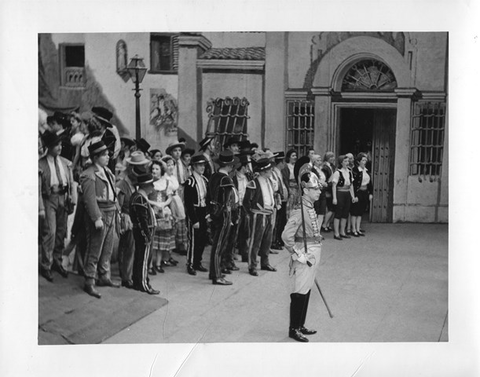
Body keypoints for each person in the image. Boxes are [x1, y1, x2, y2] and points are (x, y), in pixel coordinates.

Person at [282, 169, 323, 343]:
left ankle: (301, 324)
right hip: (305, 254)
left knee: (306, 289)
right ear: (306, 190)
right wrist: (297, 254)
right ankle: (294, 329)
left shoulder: (310, 208)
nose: (319, 191)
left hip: (313, 251)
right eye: (315, 189)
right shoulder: (300, 211)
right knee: (300, 290)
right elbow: (286, 236)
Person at [80, 140, 119, 298]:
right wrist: (96, 218)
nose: (108, 156)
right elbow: (89, 200)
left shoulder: (107, 171)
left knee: (107, 247)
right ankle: (89, 280)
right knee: (94, 248)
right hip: (100, 213)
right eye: (104, 155)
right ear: (96, 157)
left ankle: (104, 276)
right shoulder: (89, 175)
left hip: (111, 210)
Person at [38, 130, 76, 282]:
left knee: (61, 232)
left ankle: (57, 261)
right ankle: (46, 264)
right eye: (56, 145)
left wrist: (72, 199)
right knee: (50, 232)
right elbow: (38, 187)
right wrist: (40, 207)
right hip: (49, 198)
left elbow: (71, 183)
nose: (59, 147)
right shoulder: (40, 164)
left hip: (63, 198)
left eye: (60, 144)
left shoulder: (66, 163)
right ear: (48, 146)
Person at [116, 151, 151, 288]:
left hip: (135, 217)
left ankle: (132, 274)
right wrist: (122, 219)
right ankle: (126, 276)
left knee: (134, 247)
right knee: (128, 248)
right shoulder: (122, 184)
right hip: (127, 218)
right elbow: (118, 203)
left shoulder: (136, 182)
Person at [208, 150, 240, 285]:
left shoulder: (214, 176)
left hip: (214, 215)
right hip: (223, 216)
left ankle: (213, 272)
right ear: (229, 166)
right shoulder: (226, 179)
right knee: (219, 245)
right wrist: (229, 217)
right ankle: (217, 275)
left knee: (216, 244)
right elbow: (226, 202)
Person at [243, 158, 277, 276]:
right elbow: (246, 201)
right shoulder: (253, 183)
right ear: (263, 171)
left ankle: (265, 262)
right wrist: (251, 213)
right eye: (269, 169)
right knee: (255, 240)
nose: (271, 171)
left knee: (267, 240)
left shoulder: (269, 182)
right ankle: (252, 265)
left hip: (269, 214)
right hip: (258, 214)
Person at [129, 172, 160, 295]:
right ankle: (144, 284)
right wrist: (147, 235)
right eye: (151, 185)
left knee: (140, 257)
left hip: (141, 232)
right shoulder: (140, 199)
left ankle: (137, 281)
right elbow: (142, 220)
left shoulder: (138, 197)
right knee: (144, 259)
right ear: (146, 186)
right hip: (143, 233)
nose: (152, 187)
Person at [184, 153, 211, 275]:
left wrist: (207, 214)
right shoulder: (190, 181)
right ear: (193, 166)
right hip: (194, 212)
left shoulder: (204, 180)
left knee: (202, 238)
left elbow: (207, 199)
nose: (202, 167)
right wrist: (194, 220)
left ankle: (197, 262)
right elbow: (189, 203)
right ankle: (190, 263)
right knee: (193, 239)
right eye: (199, 165)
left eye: (203, 165)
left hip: (203, 211)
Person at [149, 160, 175, 274]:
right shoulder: (149, 183)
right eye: (153, 169)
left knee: (161, 241)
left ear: (161, 171)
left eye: (157, 169)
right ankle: (150, 265)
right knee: (151, 241)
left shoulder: (166, 182)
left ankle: (158, 264)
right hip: (151, 212)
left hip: (163, 213)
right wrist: (154, 204)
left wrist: (164, 204)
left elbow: (170, 197)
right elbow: (145, 197)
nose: (154, 171)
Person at [161, 155, 183, 263]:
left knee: (174, 230)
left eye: (172, 165)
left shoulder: (174, 177)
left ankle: (169, 255)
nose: (170, 167)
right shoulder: (164, 178)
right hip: (169, 203)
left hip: (176, 201)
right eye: (168, 165)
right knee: (168, 230)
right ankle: (165, 257)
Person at [331, 155, 357, 240]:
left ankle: (342, 231)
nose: (347, 163)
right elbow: (334, 186)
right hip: (340, 193)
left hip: (347, 193)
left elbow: (351, 185)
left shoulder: (349, 172)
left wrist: (352, 196)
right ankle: (336, 233)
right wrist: (334, 198)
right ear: (341, 163)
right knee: (338, 213)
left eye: (347, 161)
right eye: (345, 161)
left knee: (345, 213)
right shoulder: (338, 172)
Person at [350, 153, 373, 237]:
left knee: (360, 212)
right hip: (358, 192)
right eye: (363, 160)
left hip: (365, 192)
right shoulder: (355, 170)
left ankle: (358, 228)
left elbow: (370, 183)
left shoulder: (366, 170)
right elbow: (353, 184)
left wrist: (370, 193)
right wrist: (354, 196)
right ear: (358, 161)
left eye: (365, 160)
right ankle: (353, 230)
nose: (365, 162)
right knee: (355, 211)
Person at [271, 151, 289, 250]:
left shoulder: (280, 172)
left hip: (282, 199)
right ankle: (275, 240)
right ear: (280, 162)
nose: (284, 164)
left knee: (281, 220)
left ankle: (278, 239)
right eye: (283, 162)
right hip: (278, 200)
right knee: (277, 221)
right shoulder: (274, 172)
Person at [311, 154, 329, 231]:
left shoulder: (321, 170)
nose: (319, 162)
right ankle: (314, 231)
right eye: (317, 160)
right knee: (316, 210)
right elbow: (313, 180)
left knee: (322, 211)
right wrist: (321, 183)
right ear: (314, 161)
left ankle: (318, 230)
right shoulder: (312, 170)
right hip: (316, 191)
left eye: (320, 160)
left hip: (322, 191)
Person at [321, 151, 336, 232]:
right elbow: (325, 179)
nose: (332, 159)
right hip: (328, 190)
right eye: (330, 157)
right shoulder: (325, 167)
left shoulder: (332, 166)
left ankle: (328, 224)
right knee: (330, 208)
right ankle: (324, 224)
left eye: (333, 157)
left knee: (332, 208)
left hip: (331, 189)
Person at [282, 149, 299, 218]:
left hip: (297, 189)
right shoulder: (286, 167)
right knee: (290, 206)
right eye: (293, 156)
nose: (295, 157)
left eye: (295, 155)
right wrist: (288, 189)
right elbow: (285, 179)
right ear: (289, 157)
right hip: (290, 189)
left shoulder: (297, 166)